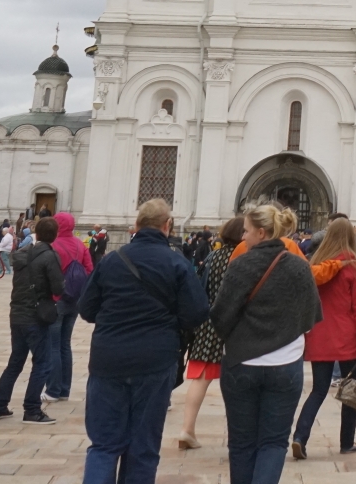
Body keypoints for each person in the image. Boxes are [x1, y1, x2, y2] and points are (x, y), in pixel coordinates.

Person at [77, 198, 208, 481]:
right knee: (143, 447)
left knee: (104, 444)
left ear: (135, 226)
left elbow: (87, 309)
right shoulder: (177, 263)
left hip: (108, 358)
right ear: (167, 226)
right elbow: (197, 313)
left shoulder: (112, 260)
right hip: (155, 360)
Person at [211, 203, 322, 484]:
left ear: (261, 233)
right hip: (285, 365)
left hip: (242, 364)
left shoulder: (240, 265)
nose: (243, 237)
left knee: (241, 442)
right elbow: (311, 315)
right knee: (273, 442)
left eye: (246, 231)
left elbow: (221, 317)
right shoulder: (299, 266)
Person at [292, 215, 356, 459]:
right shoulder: (354, 268)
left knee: (318, 390)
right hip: (347, 336)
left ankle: (300, 437)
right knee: (350, 390)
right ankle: (346, 441)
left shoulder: (316, 265)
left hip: (320, 334)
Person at [178, 217, 245, 450]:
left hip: (208, 325)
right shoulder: (242, 258)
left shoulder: (213, 256)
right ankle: (239, 437)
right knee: (238, 385)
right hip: (235, 327)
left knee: (199, 380)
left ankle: (187, 429)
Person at [0, 216, 64, 424]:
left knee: (16, 361)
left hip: (18, 313)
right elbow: (57, 287)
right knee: (42, 363)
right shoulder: (50, 256)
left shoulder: (21, 254)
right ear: (55, 235)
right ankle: (32, 409)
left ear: (36, 233)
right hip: (36, 314)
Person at [44, 210, 93, 404]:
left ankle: (53, 390)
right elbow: (89, 270)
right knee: (65, 345)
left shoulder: (53, 245)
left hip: (56, 299)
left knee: (53, 346)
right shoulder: (81, 245)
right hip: (74, 301)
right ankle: (65, 389)